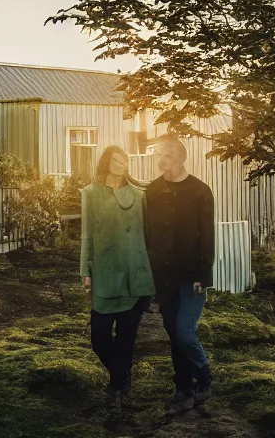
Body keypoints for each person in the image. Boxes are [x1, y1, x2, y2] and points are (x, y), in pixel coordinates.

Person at [79, 145, 156, 418]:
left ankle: (115, 393)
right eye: (116, 158)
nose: (121, 162)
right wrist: (84, 269)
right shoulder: (90, 193)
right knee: (99, 339)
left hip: (135, 276)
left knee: (126, 340)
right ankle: (121, 374)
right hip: (104, 276)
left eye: (124, 159)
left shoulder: (139, 196)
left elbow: (149, 236)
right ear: (106, 162)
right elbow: (86, 235)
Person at [144, 133, 215, 414]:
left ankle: (204, 377)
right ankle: (184, 388)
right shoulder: (152, 191)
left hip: (192, 275)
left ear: (181, 157)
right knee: (173, 333)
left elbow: (207, 237)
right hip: (163, 275)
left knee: (185, 331)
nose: (161, 160)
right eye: (158, 155)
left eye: (167, 155)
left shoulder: (200, 191)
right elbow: (148, 235)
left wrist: (203, 275)